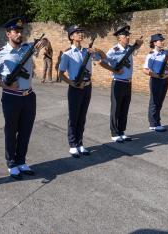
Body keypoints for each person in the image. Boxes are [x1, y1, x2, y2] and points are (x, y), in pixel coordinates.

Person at [0, 17, 43, 180]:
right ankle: (11, 163)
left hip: (29, 97)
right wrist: (5, 85)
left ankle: (21, 161)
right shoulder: (0, 53)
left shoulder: (28, 48)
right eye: (16, 31)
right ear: (8, 34)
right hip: (11, 97)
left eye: (21, 31)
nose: (19, 34)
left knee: (26, 130)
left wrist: (43, 43)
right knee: (11, 131)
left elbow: (43, 42)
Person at [59, 26, 109, 158]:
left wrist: (97, 50)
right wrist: (73, 83)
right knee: (74, 117)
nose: (80, 34)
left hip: (87, 87)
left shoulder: (88, 51)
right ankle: (72, 144)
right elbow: (61, 73)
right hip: (75, 88)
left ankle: (80, 143)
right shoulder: (67, 54)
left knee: (82, 116)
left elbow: (104, 58)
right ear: (71, 37)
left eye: (81, 32)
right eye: (77, 33)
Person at [101, 25, 143, 142]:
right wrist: (114, 70)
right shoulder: (114, 50)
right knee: (116, 108)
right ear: (119, 38)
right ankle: (114, 133)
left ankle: (121, 131)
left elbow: (137, 48)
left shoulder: (130, 49)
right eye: (126, 36)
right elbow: (102, 62)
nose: (128, 37)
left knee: (125, 108)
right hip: (118, 83)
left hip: (128, 82)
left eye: (128, 35)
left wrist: (139, 43)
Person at [143, 34, 168, 132]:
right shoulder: (151, 54)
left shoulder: (165, 52)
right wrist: (156, 75)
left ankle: (157, 121)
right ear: (155, 43)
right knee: (154, 102)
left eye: (163, 40)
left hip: (165, 79)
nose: (163, 42)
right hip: (156, 80)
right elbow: (145, 70)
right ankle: (153, 123)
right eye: (160, 41)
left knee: (160, 101)